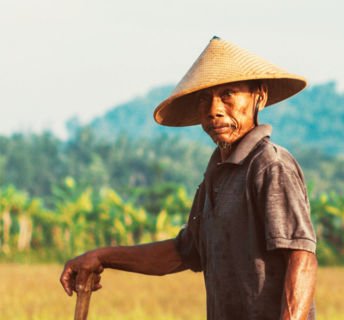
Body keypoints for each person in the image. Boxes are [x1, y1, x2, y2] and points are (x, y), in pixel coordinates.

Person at [60, 36, 318, 320]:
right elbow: (182, 253)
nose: (214, 110)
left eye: (228, 94)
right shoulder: (216, 177)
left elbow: (301, 258)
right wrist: (102, 256)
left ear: (260, 96)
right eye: (205, 99)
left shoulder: (270, 166)